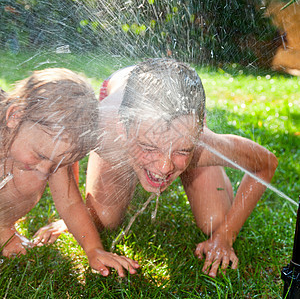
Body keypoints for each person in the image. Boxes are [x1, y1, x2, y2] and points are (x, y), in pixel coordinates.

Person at [34, 59, 278, 278]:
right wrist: (73, 213)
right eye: (148, 147)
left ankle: (181, 157)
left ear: (199, 130)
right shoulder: (102, 128)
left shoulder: (203, 143)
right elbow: (65, 150)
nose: (164, 167)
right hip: (125, 90)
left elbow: (266, 164)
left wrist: (225, 235)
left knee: (214, 222)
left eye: (182, 150)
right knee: (103, 219)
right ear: (123, 128)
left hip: (176, 105)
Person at [0, 68, 139, 277]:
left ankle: (3, 227)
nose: (46, 170)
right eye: (40, 156)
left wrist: (93, 249)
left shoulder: (52, 153)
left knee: (28, 177)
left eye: (56, 164)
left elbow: (71, 203)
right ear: (15, 117)